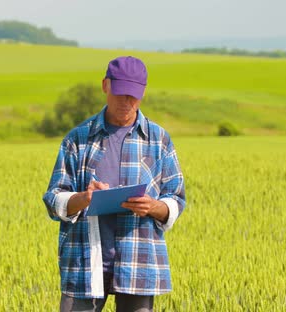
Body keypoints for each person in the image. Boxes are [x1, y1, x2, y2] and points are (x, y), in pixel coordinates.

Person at [43, 56, 186, 312]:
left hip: (138, 262)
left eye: (133, 96)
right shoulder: (77, 139)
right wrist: (83, 198)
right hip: (84, 263)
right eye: (121, 94)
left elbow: (176, 199)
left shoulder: (159, 140)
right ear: (105, 86)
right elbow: (54, 200)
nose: (127, 102)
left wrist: (153, 206)